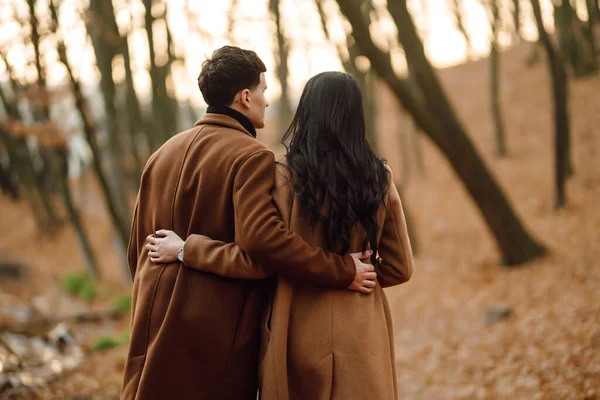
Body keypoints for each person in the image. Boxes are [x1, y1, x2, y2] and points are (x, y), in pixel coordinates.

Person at [122, 48, 377, 400]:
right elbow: (263, 248)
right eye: (263, 90)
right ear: (245, 97)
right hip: (213, 329)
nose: (267, 101)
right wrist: (341, 270)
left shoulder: (160, 154)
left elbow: (137, 252)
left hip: (150, 322)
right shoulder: (251, 156)